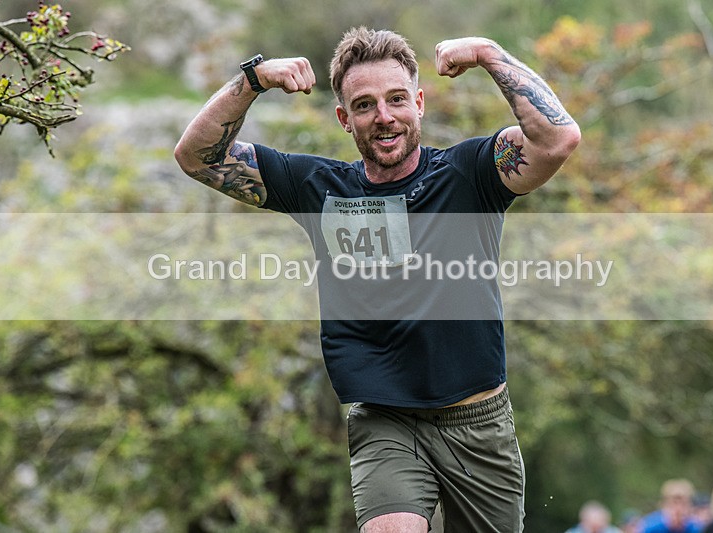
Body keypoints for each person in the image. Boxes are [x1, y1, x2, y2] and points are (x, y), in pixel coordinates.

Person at [175, 26, 580, 533]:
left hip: (479, 424)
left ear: (419, 103)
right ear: (344, 118)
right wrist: (253, 80)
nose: (383, 117)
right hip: (386, 420)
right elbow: (197, 156)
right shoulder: (320, 188)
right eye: (364, 105)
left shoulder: (470, 173)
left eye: (396, 100)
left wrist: (487, 54)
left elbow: (559, 138)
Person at [638, 479, 705, 533]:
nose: (679, 509)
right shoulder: (651, 526)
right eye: (674, 503)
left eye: (683, 504)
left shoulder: (696, 528)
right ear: (664, 504)